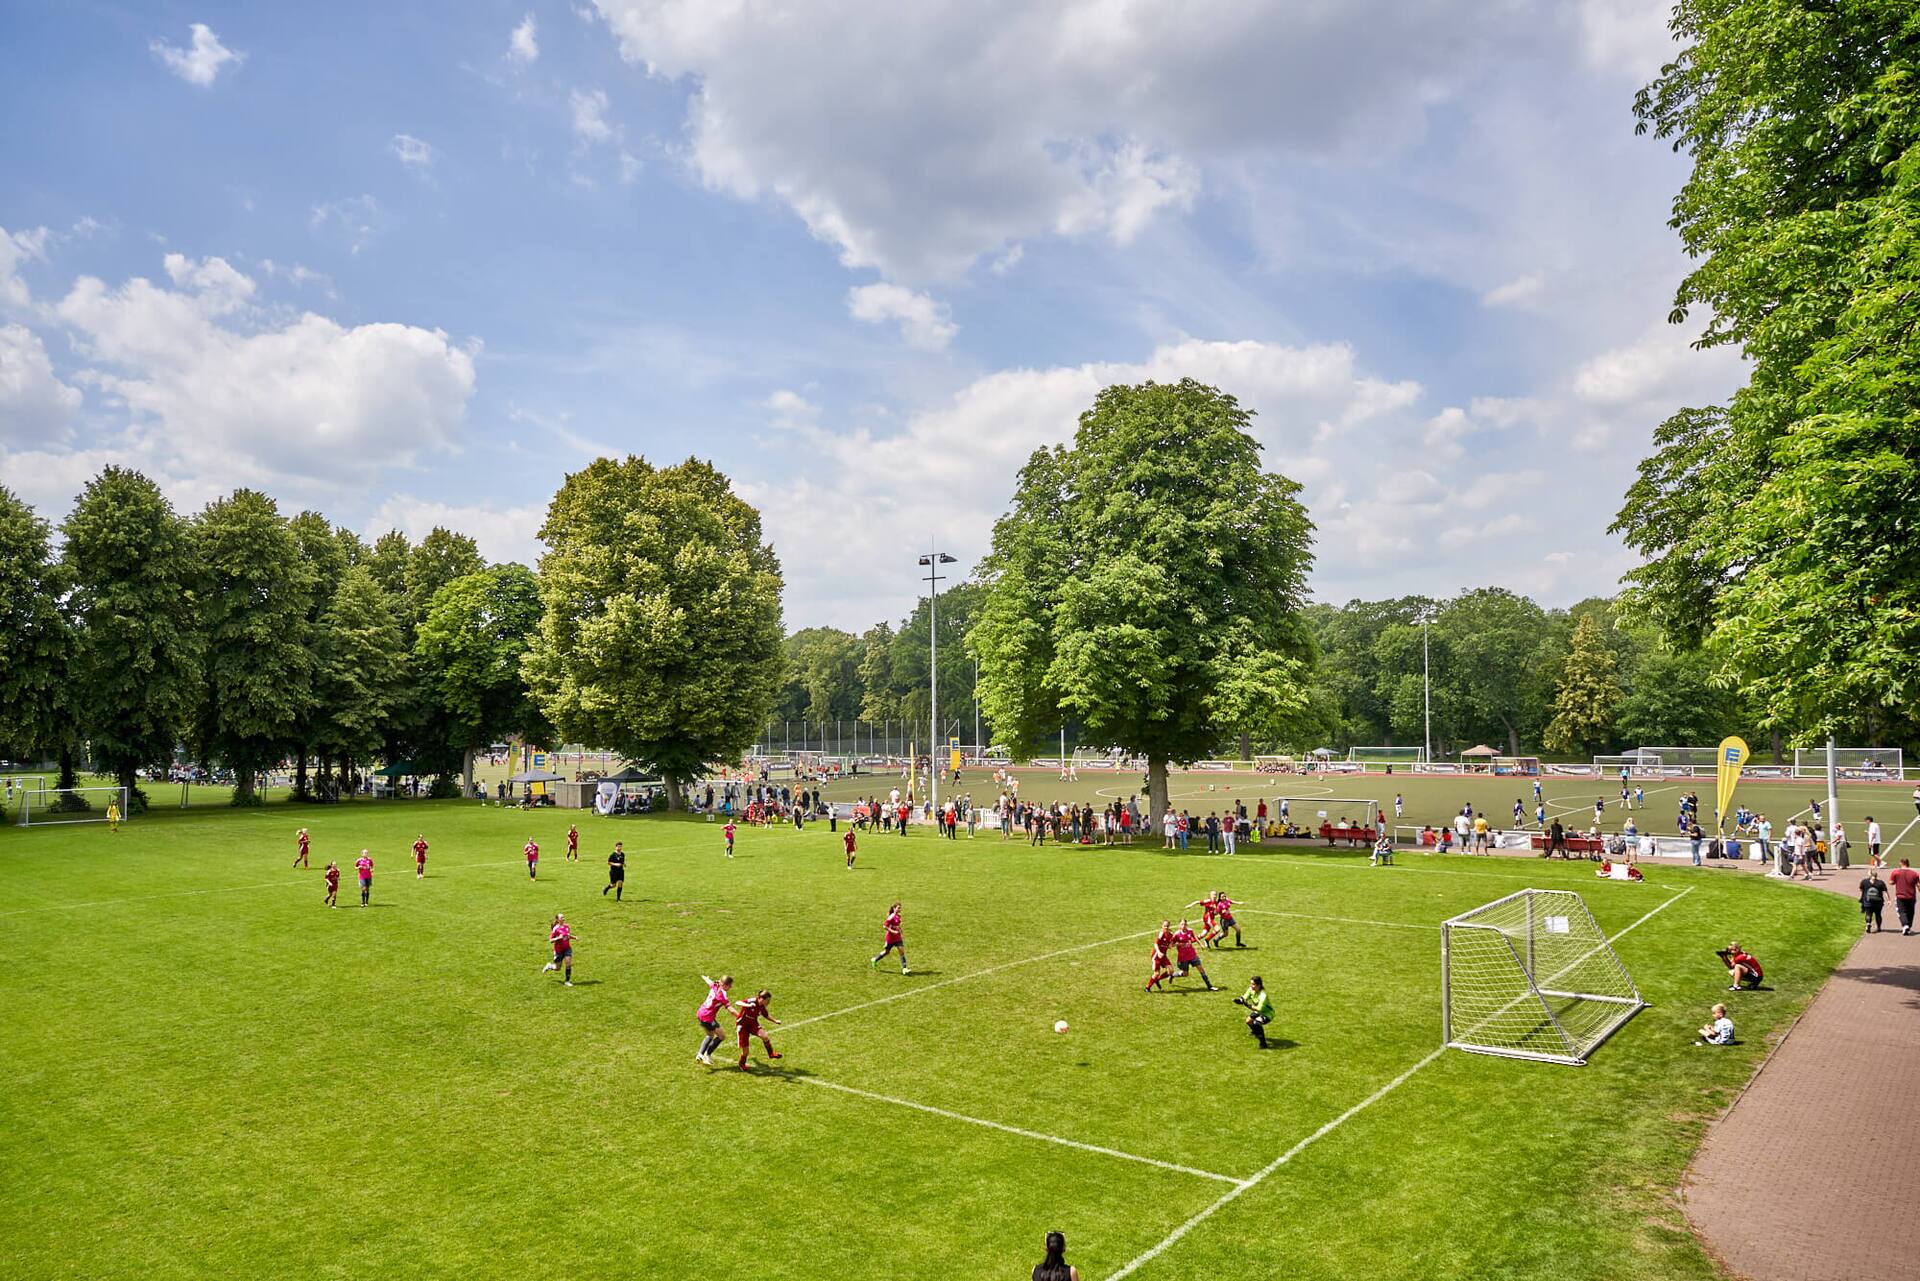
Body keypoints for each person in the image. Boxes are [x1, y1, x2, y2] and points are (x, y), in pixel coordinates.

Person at [732, 990, 782, 1070]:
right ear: (761, 999)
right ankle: (742, 1064)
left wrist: (775, 1021)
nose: (768, 1002)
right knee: (746, 1051)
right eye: (767, 1001)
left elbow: (766, 1015)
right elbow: (737, 1002)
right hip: (743, 1026)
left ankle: (771, 1054)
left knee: (765, 1036)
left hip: (753, 1024)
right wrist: (747, 1005)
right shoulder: (752, 1001)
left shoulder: (762, 1007)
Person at [694, 974, 732, 1063]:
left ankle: (700, 1054)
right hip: (707, 1017)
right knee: (720, 1036)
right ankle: (706, 1054)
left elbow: (710, 983)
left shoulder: (715, 986)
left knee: (711, 1035)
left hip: (701, 1013)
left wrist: (706, 978)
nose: (731, 987)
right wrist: (739, 1016)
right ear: (725, 985)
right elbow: (730, 1008)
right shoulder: (722, 994)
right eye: (730, 985)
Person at [1171, 919, 1214, 990]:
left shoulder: (1190, 931)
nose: (1183, 926)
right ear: (1179, 925)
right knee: (1185, 974)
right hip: (1183, 957)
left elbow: (1195, 938)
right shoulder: (1176, 934)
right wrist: (1179, 944)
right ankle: (1173, 975)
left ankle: (1209, 986)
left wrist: (1201, 945)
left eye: (1185, 924)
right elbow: (1171, 945)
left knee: (1201, 969)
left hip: (1192, 954)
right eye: (1182, 924)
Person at [1235, 975, 1274, 1049]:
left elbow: (1259, 1008)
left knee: (1257, 1023)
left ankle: (1263, 1043)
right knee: (1248, 1021)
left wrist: (1248, 1005)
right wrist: (1240, 1000)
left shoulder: (1263, 995)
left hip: (1267, 1013)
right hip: (1258, 1011)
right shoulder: (1251, 990)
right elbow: (1245, 997)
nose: (1251, 986)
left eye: (1253, 984)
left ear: (1259, 985)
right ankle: (1255, 1032)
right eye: (1251, 983)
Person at [871, 902, 909, 974]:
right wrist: (893, 931)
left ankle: (904, 968)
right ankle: (875, 959)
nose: (900, 909)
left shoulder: (898, 916)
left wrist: (900, 930)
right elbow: (885, 926)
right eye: (898, 908)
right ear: (894, 908)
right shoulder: (891, 917)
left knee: (901, 951)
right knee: (886, 952)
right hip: (890, 938)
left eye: (900, 908)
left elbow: (897, 925)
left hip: (897, 937)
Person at [541, 913, 574, 986]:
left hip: (567, 948)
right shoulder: (555, 928)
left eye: (563, 917)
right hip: (559, 950)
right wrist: (558, 938)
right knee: (557, 968)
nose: (563, 918)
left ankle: (567, 981)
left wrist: (574, 937)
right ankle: (550, 966)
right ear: (557, 920)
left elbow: (567, 936)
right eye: (561, 917)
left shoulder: (567, 926)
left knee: (568, 964)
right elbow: (551, 940)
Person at [1891, 858, 1920, 935]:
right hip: (1911, 896)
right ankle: (1908, 927)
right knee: (1910, 912)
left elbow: (1891, 882)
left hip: (1900, 896)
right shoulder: (1915, 874)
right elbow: (1918, 885)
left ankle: (1905, 925)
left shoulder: (1896, 872)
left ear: (1901, 863)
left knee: (1901, 912)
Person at [1861, 867, 1888, 934]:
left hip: (1867, 902)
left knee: (1868, 914)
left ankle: (1868, 923)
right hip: (1878, 902)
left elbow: (1861, 889)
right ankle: (1878, 927)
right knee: (1878, 915)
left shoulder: (1864, 881)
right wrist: (1888, 900)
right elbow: (1885, 892)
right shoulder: (1880, 883)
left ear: (1870, 875)